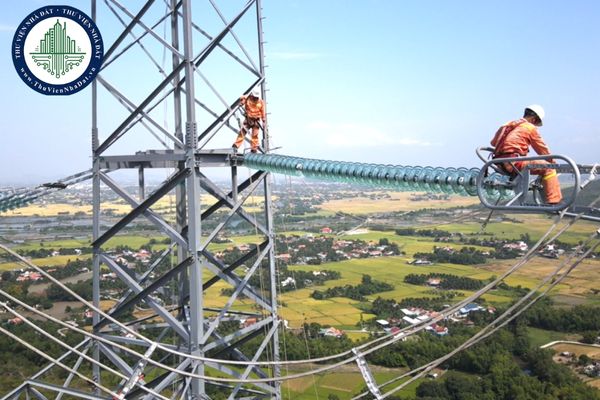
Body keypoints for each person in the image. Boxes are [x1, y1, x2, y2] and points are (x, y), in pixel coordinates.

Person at [490, 104, 562, 204]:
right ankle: (555, 202)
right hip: (514, 163)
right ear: (533, 119)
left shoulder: (508, 125)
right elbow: (542, 150)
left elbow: (493, 143)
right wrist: (553, 163)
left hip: (499, 163)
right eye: (536, 122)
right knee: (549, 168)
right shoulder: (529, 127)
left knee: (539, 164)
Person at [232, 89, 266, 153]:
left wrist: (263, 121)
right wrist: (244, 98)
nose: (256, 98)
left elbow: (263, 112)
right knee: (242, 132)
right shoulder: (247, 98)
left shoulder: (261, 102)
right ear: (252, 94)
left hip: (256, 121)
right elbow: (241, 97)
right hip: (248, 119)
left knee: (255, 135)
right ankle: (236, 145)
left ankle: (254, 149)